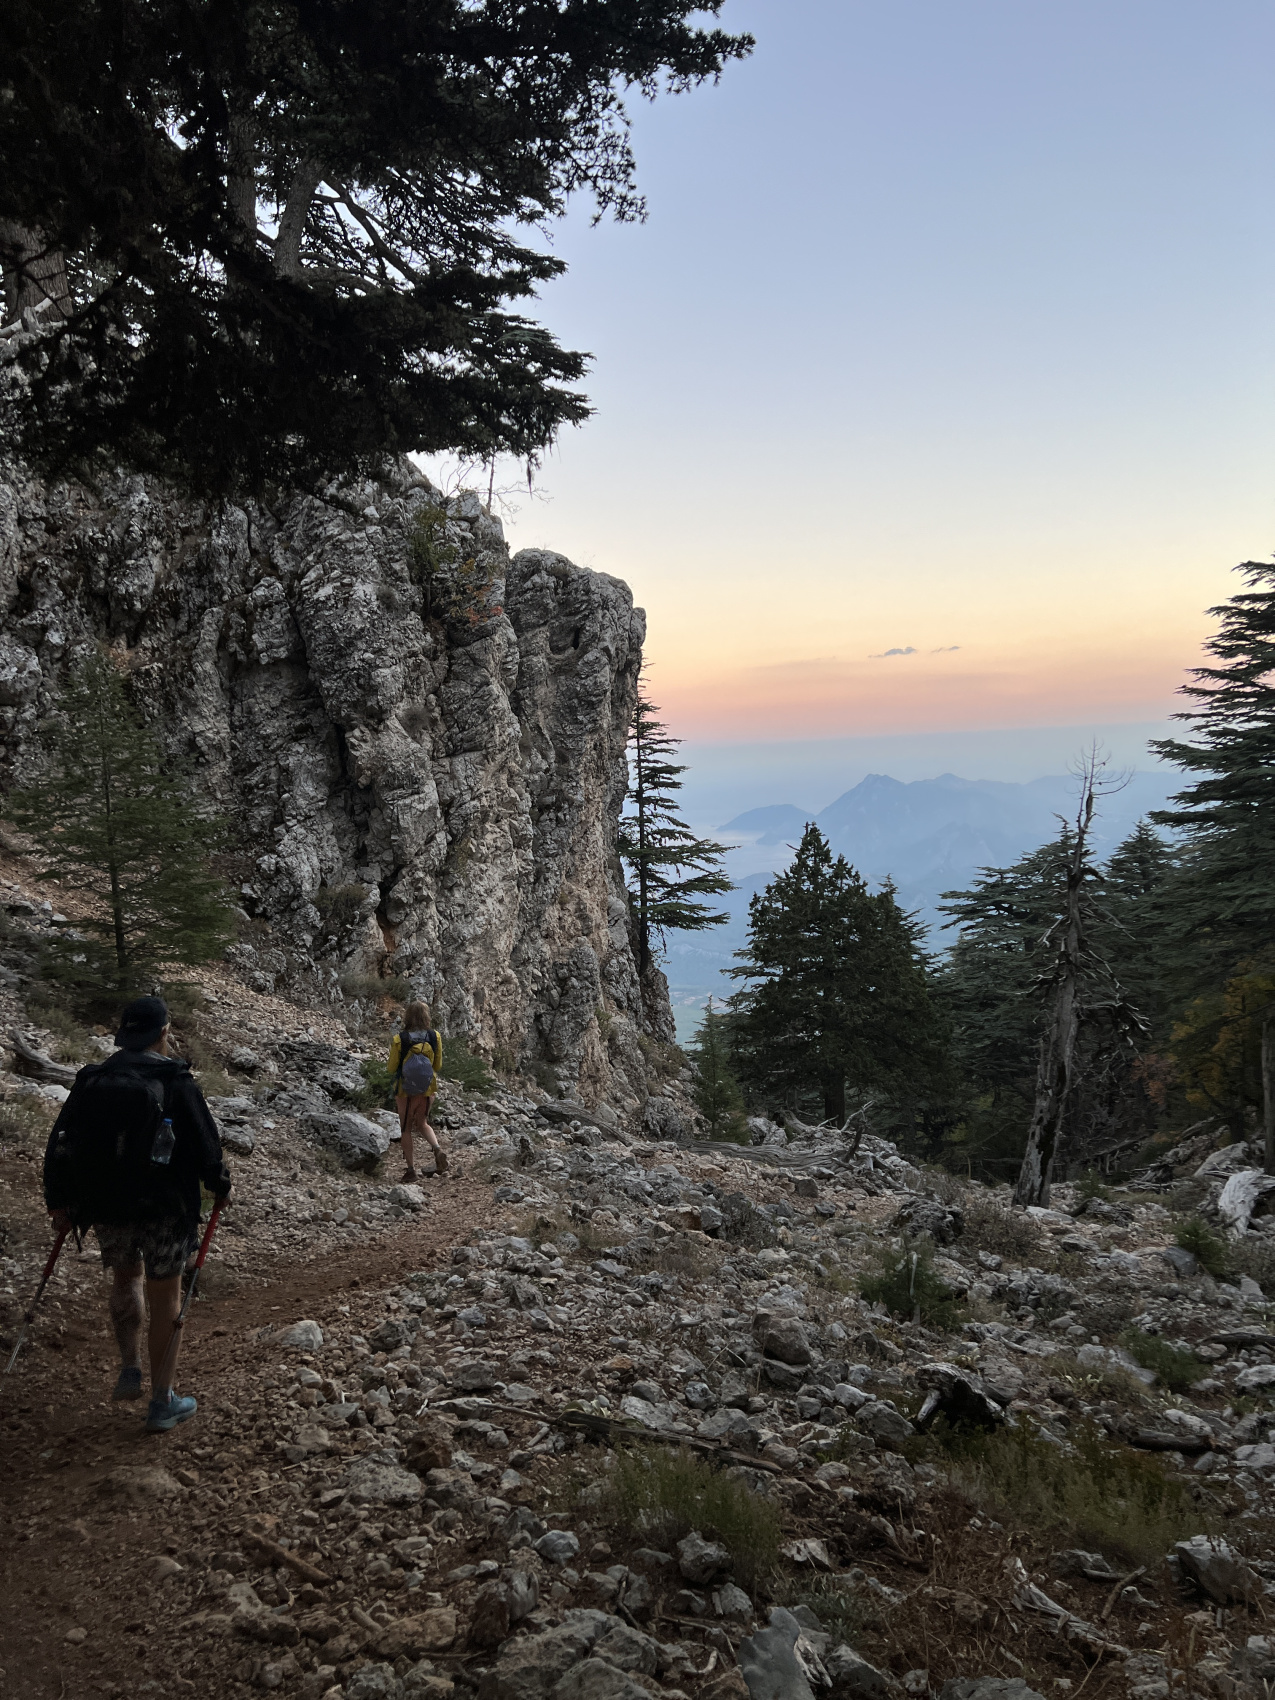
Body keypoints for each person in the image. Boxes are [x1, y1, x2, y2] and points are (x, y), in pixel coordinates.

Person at [43, 994, 231, 1433]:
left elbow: (60, 1142)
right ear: (163, 1032)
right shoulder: (176, 1080)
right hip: (164, 1207)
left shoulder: (93, 1079)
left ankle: (130, 1365)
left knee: (125, 1277)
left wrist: (58, 1200)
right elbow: (207, 1146)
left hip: (106, 1204)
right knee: (166, 1293)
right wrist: (219, 1187)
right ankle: (162, 1401)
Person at [387, 1001, 447, 1180]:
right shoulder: (435, 1036)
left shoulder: (400, 1039)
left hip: (404, 1089)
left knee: (405, 1127)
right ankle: (437, 1149)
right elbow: (438, 1065)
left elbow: (391, 1068)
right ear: (426, 1016)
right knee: (422, 1123)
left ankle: (411, 1170)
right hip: (428, 1088)